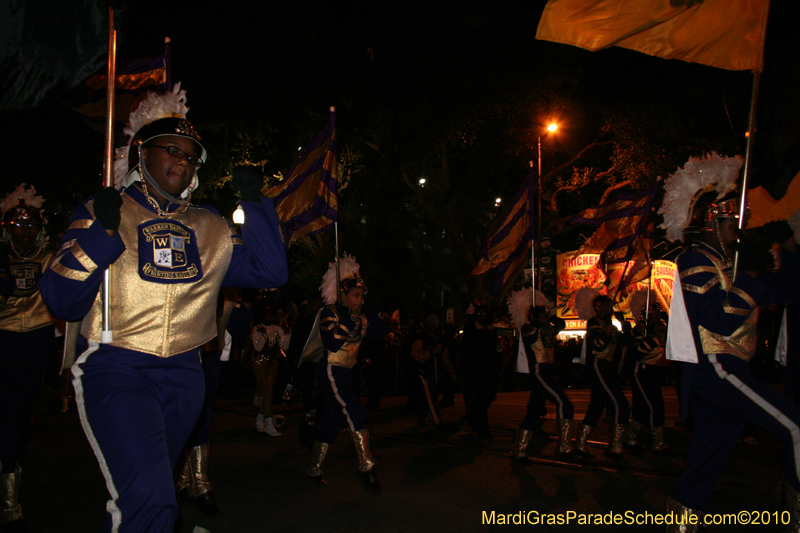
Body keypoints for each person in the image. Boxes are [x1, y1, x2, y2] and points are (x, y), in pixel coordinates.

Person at [39, 86, 288, 533]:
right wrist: (101, 235)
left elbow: (271, 271)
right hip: (118, 370)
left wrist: (255, 204)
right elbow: (60, 300)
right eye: (172, 149)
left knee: (152, 497)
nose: (184, 160)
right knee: (151, 505)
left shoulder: (210, 224)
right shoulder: (104, 209)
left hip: (186, 377)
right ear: (141, 155)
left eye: (193, 155)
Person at [658, 153, 800, 531]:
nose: (742, 227)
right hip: (717, 368)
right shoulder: (695, 259)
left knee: (709, 454)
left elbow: (788, 289)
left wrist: (786, 243)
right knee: (796, 427)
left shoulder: (733, 264)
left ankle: (682, 521)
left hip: (734, 367)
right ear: (712, 221)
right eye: (733, 220)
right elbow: (718, 320)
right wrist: (751, 273)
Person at [0, 186, 56, 532]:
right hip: (3, 338)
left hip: (37, 339)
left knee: (21, 414)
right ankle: (8, 501)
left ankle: (9, 491)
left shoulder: (50, 256)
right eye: (18, 226)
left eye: (30, 227)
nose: (24, 232)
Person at [303, 255, 384, 493]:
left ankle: (314, 468)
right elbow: (333, 344)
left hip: (347, 374)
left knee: (331, 420)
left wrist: (371, 314)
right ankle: (366, 465)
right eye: (355, 296)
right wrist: (347, 318)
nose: (360, 301)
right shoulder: (330, 313)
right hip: (330, 371)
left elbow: (381, 328)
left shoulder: (361, 318)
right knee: (353, 410)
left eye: (361, 296)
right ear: (343, 296)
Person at [574, 294, 631, 465]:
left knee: (597, 406)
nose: (610, 308)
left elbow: (625, 341)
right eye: (607, 305)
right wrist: (608, 328)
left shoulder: (611, 325)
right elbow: (598, 343)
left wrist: (624, 324)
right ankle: (614, 447)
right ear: (599, 306)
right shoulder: (594, 322)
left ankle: (580, 445)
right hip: (599, 366)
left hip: (609, 368)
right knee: (621, 405)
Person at [511, 303, 571, 462]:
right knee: (564, 403)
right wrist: (538, 321)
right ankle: (563, 446)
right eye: (544, 315)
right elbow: (529, 335)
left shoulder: (547, 328)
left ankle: (519, 451)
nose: (547, 318)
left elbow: (560, 325)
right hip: (538, 374)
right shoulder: (530, 328)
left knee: (534, 413)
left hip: (546, 374)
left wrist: (551, 318)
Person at [624, 307, 670, 454]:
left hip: (655, 372)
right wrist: (641, 337)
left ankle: (630, 439)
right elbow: (637, 353)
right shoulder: (646, 334)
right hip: (644, 373)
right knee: (653, 406)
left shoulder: (660, 332)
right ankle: (658, 443)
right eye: (654, 314)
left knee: (644, 406)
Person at [461, 305, 502, 439]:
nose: (481, 315)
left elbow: (496, 350)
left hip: (490, 371)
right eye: (479, 313)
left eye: (484, 313)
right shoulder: (471, 330)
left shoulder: (491, 331)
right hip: (476, 372)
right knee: (481, 400)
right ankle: (483, 430)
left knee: (488, 397)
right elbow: (468, 352)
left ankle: (474, 419)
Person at [249, 307, 287, 437]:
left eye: (272, 315)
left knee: (268, 390)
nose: (270, 318)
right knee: (267, 390)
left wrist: (284, 332)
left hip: (272, 361)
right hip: (259, 360)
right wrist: (264, 335)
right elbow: (258, 347)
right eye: (267, 315)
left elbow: (284, 346)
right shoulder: (256, 329)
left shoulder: (276, 328)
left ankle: (260, 420)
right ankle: (268, 421)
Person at [409, 314, 445, 427]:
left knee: (426, 396)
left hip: (434, 371)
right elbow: (415, 354)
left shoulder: (436, 337)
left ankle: (422, 418)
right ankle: (437, 420)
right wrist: (429, 353)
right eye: (428, 323)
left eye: (432, 323)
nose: (430, 325)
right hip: (426, 371)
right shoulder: (422, 337)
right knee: (431, 397)